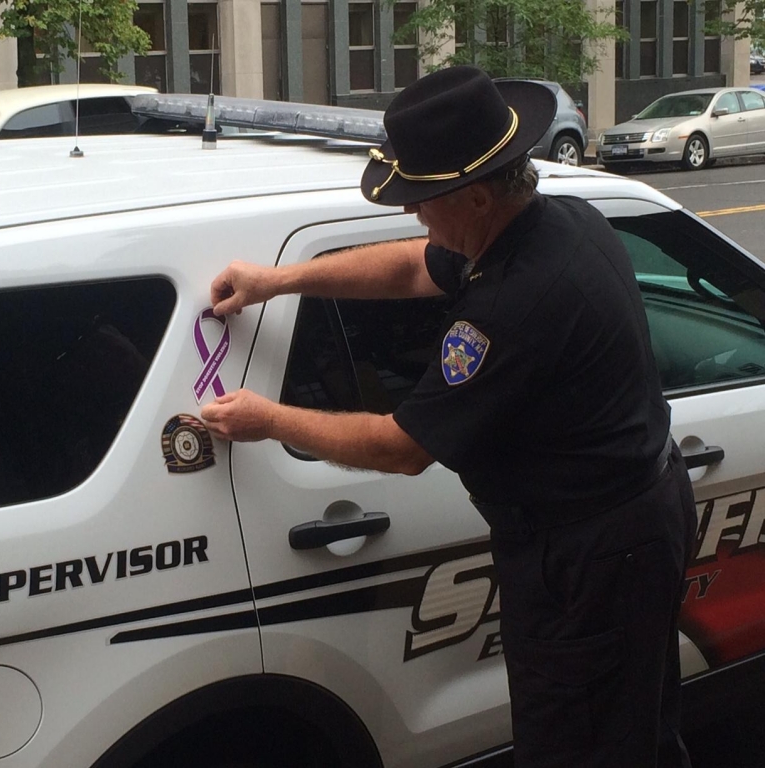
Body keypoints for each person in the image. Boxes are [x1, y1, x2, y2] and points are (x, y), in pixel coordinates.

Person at [201, 66, 697, 768]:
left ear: (476, 196)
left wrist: (268, 419)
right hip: (628, 525)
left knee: (580, 745)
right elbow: (412, 269)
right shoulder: (558, 221)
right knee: (634, 729)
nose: (412, 213)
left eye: (423, 199)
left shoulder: (511, 307)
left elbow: (402, 446)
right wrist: (279, 280)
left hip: (594, 555)